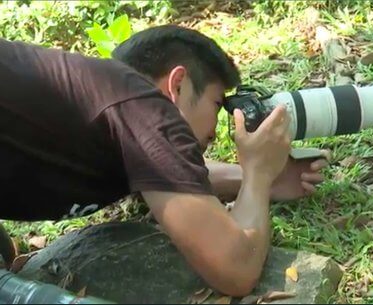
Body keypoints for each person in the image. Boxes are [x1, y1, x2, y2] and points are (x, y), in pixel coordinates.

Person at [0, 24, 330, 296]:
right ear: (178, 84)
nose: (216, 131)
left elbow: (167, 177)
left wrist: (261, 177)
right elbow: (237, 269)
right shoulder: (145, 107)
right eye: (217, 105)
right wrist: (258, 174)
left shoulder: (111, 103)